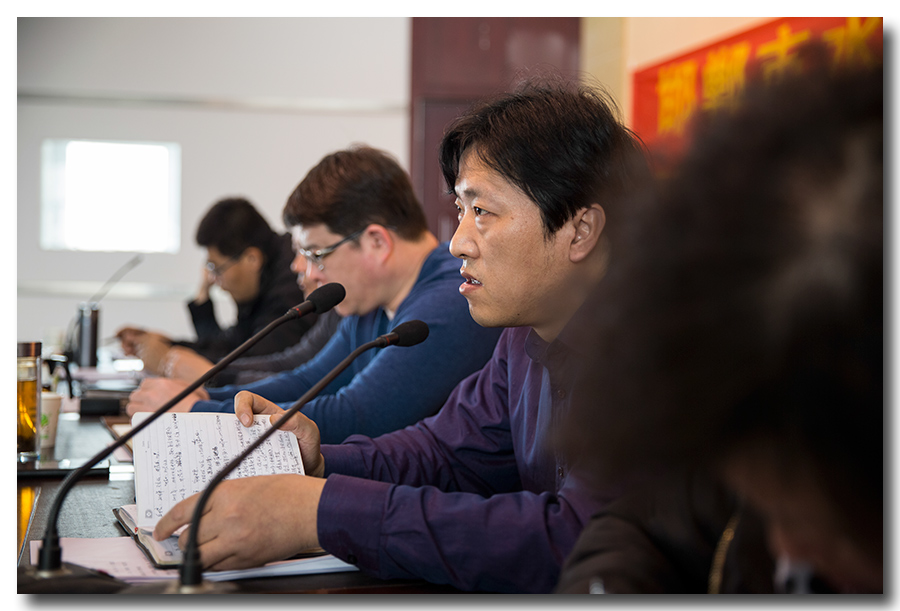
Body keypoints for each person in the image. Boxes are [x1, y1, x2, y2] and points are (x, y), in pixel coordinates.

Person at [151, 78, 650, 593]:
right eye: (461, 211)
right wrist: (320, 463)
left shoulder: (657, 354)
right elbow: (445, 454)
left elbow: (573, 542)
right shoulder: (522, 338)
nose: (458, 242)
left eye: (482, 212)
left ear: (579, 230)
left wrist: (320, 512)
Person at [553, 50, 883, 594]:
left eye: (827, 530)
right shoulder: (748, 408)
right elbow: (639, 526)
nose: (786, 552)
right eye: (772, 511)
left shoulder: (814, 393)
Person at [126, 145, 504, 444]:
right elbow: (310, 380)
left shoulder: (450, 300)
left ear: (376, 243)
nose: (308, 272)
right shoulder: (372, 300)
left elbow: (355, 415)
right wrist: (208, 400)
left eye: (317, 255)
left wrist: (199, 414)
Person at [117, 197, 312, 375]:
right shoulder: (266, 274)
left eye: (217, 269)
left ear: (252, 259)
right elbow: (234, 346)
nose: (212, 279)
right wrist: (170, 345)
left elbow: (255, 364)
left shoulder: (291, 284)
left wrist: (168, 359)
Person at [156, 272, 343, 387]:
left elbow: (301, 381)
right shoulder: (337, 315)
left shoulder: (284, 293)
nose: (296, 265)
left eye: (313, 253)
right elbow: (230, 342)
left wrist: (212, 376)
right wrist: (177, 349)